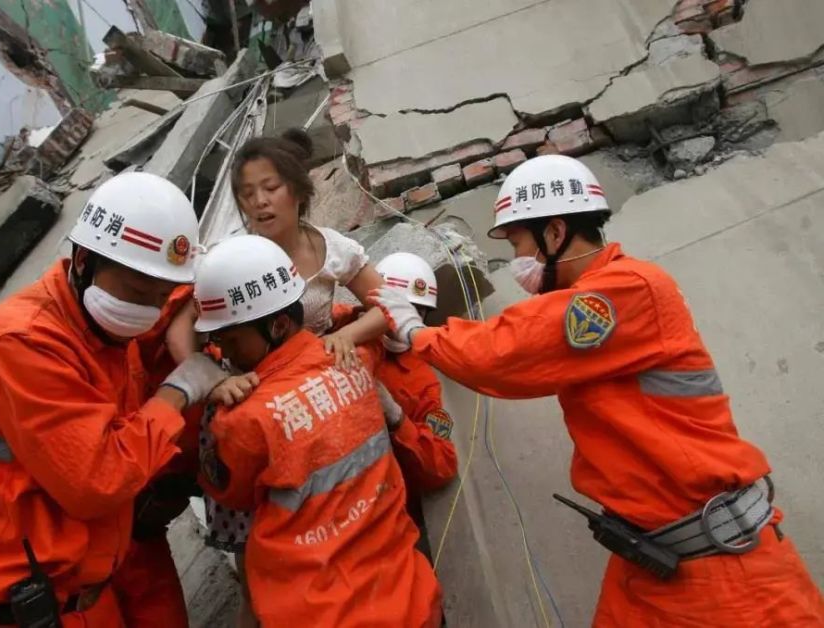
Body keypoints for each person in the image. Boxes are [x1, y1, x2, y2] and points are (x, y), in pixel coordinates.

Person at [370, 154, 824, 626]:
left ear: (554, 233)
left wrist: (415, 331)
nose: (517, 260)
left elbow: (502, 352)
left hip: (726, 577)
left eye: (519, 241)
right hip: (650, 563)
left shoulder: (626, 288)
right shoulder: (607, 293)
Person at [0, 172, 230, 627]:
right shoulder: (21, 343)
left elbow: (178, 297)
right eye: (139, 294)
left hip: (80, 582)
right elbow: (96, 482)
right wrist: (175, 393)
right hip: (10, 605)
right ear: (83, 260)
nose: (148, 311)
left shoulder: (107, 318)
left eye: (160, 297)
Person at [193, 234, 442, 627]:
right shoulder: (356, 356)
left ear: (276, 325)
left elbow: (231, 493)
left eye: (231, 339)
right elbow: (371, 317)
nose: (225, 353)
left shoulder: (242, 420)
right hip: (410, 600)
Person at [332, 252, 458, 545]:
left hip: (385, 505)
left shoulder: (421, 378)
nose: (401, 321)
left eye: (416, 311)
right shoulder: (341, 325)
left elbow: (442, 463)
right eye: (394, 309)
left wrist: (396, 416)